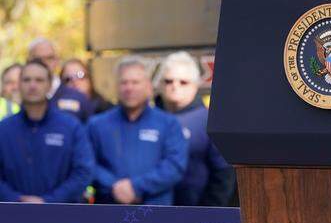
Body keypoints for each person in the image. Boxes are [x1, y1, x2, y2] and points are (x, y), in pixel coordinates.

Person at [88, 56, 188, 205]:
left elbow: (175, 166)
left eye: (135, 82)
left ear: (148, 86)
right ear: (116, 86)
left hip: (156, 213)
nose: (129, 88)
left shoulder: (169, 124)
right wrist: (114, 186)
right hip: (108, 211)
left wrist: (136, 187)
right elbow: (86, 163)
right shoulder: (96, 124)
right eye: (124, 82)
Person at [0, 59, 94, 203]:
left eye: (39, 80)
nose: (32, 85)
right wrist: (17, 200)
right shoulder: (4, 129)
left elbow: (83, 172)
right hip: (10, 217)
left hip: (63, 217)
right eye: (26, 80)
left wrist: (49, 201)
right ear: (19, 85)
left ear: (50, 85)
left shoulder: (70, 127)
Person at [154, 52, 234, 206]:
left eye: (183, 82)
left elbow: (224, 173)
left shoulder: (209, 120)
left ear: (195, 85)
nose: (174, 86)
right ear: (160, 84)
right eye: (168, 81)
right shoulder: (147, 118)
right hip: (149, 211)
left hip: (196, 212)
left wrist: (207, 212)